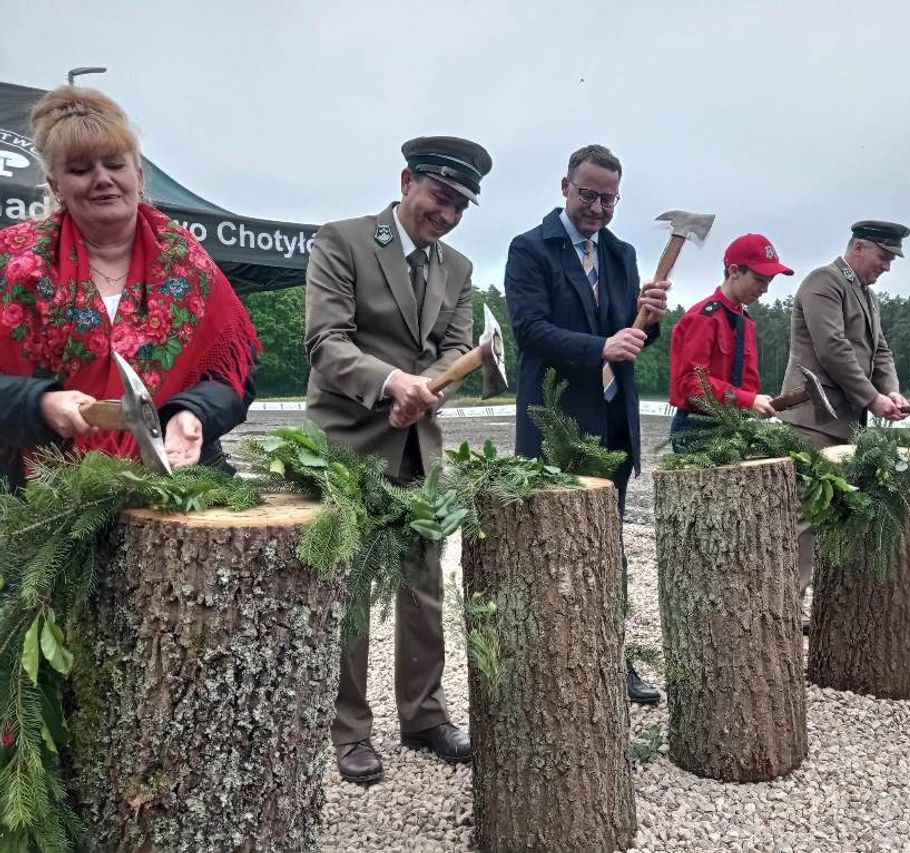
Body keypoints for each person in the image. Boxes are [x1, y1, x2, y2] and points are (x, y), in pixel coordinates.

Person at [305, 136, 491, 783]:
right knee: (350, 590)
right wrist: (391, 383)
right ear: (407, 179)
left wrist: (429, 388)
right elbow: (326, 343)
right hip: (347, 445)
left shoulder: (459, 269)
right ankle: (350, 728)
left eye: (460, 206)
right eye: (440, 196)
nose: (446, 214)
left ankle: (424, 714)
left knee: (423, 586)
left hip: (418, 448)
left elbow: (456, 348)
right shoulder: (342, 241)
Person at [0, 86, 259, 492]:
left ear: (136, 175)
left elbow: (235, 375)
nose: (103, 179)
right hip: (43, 501)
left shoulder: (185, 261)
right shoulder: (12, 264)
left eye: (114, 165)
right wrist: (38, 404)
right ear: (55, 186)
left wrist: (191, 414)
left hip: (175, 487)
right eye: (81, 169)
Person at [504, 144, 669, 705]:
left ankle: (609, 659)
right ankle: (552, 669)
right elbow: (529, 331)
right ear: (565, 187)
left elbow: (632, 339)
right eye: (589, 195)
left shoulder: (621, 255)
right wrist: (602, 343)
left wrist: (650, 319)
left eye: (609, 198)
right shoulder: (530, 249)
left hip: (613, 424)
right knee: (552, 551)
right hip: (556, 423)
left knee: (608, 551)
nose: (598, 208)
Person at [778, 220, 910, 596]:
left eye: (891, 259)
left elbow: (880, 351)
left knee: (831, 515)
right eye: (883, 256)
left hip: (844, 423)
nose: (887, 266)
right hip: (813, 421)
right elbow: (833, 348)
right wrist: (872, 398)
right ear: (859, 248)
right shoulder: (824, 282)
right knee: (804, 515)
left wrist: (893, 392)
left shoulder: (868, 295)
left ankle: (818, 603)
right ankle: (789, 603)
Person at [668, 233, 794, 450]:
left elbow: (747, 383)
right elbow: (691, 384)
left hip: (734, 425)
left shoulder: (745, 321)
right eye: (759, 279)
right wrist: (747, 400)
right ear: (734, 271)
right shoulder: (703, 318)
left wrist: (755, 402)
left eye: (769, 281)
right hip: (697, 428)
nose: (765, 289)